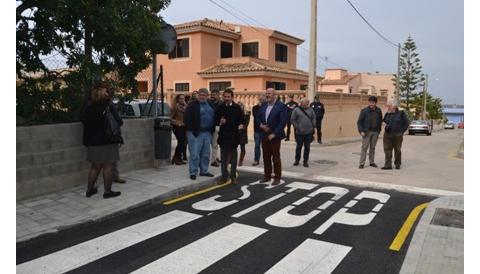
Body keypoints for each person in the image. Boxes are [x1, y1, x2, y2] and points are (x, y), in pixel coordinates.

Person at [81, 82, 122, 199]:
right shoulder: (108, 106)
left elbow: (83, 120)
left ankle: (90, 190)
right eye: (106, 90)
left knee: (95, 166)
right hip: (107, 140)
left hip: (92, 141)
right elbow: (119, 122)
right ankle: (107, 192)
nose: (108, 92)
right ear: (103, 93)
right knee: (108, 166)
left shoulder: (88, 107)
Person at [256, 88, 288, 185]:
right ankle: (267, 176)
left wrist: (274, 134)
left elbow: (283, 122)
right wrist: (261, 125)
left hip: (275, 136)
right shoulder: (264, 105)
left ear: (275, 95)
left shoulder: (281, 106)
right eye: (266, 93)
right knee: (266, 157)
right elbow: (257, 117)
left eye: (269, 93)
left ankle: (277, 177)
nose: (267, 95)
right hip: (264, 134)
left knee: (275, 157)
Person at [184, 88, 215, 180]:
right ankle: (193, 172)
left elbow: (215, 116)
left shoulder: (211, 104)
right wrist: (191, 130)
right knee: (194, 154)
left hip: (207, 132)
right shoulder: (192, 105)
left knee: (205, 154)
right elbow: (186, 119)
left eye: (204, 95)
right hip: (195, 133)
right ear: (198, 95)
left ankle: (204, 171)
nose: (202, 97)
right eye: (200, 95)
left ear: (207, 96)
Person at [214, 88, 244, 185]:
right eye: (225, 96)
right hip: (223, 136)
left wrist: (241, 125)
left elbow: (242, 120)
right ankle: (224, 177)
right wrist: (220, 121)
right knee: (223, 158)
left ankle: (233, 177)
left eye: (228, 97)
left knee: (234, 159)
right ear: (223, 97)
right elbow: (215, 120)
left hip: (234, 136)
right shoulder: (219, 108)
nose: (226, 98)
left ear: (232, 97)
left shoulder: (237, 108)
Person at [357, 96, 383, 169]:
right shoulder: (364, 111)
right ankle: (361, 163)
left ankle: (372, 162)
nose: (371, 103)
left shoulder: (379, 110)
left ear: (375, 103)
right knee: (364, 148)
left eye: (373, 102)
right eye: (370, 102)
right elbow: (359, 122)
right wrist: (361, 131)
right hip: (366, 132)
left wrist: (379, 130)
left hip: (376, 132)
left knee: (372, 148)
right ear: (368, 102)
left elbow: (380, 120)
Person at [382, 100, 409, 170]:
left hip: (397, 135)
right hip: (387, 134)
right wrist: (384, 123)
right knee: (387, 150)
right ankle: (388, 165)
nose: (387, 107)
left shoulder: (401, 113)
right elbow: (384, 121)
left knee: (397, 150)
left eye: (389, 106)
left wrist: (401, 132)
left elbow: (406, 124)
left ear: (394, 106)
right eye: (387, 106)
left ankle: (397, 164)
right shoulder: (387, 113)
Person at [291, 97, 316, 167]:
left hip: (309, 132)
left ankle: (305, 161)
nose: (308, 104)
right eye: (306, 103)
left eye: (308, 103)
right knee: (299, 147)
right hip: (299, 132)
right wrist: (298, 127)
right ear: (302, 103)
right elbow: (292, 120)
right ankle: (297, 160)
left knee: (307, 147)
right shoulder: (296, 110)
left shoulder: (311, 110)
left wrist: (313, 124)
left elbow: (314, 117)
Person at [171, 94, 187, 165]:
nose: (182, 100)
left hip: (184, 127)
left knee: (183, 143)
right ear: (178, 99)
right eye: (181, 98)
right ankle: (176, 158)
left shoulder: (185, 107)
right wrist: (177, 123)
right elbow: (170, 118)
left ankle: (178, 158)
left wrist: (186, 105)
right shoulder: (174, 107)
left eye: (183, 98)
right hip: (177, 127)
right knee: (180, 142)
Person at [208, 89, 222, 167]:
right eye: (212, 94)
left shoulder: (221, 104)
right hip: (208, 126)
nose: (212, 96)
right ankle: (214, 158)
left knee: (215, 144)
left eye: (214, 95)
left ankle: (213, 160)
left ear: (218, 95)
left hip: (217, 126)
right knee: (211, 144)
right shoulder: (208, 103)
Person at [251, 94, 266, 166]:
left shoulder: (267, 107)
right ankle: (256, 160)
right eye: (260, 100)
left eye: (263, 100)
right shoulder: (255, 108)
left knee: (265, 146)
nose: (262, 101)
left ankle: (267, 159)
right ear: (258, 100)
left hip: (265, 130)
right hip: (257, 130)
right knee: (257, 145)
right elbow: (256, 116)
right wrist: (261, 107)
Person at [237, 101, 250, 166]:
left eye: (240, 106)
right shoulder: (235, 113)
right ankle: (231, 159)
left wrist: (242, 127)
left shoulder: (247, 114)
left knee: (242, 147)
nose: (239, 107)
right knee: (233, 147)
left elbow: (246, 124)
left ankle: (241, 161)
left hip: (243, 132)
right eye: (238, 106)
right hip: (236, 132)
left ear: (243, 106)